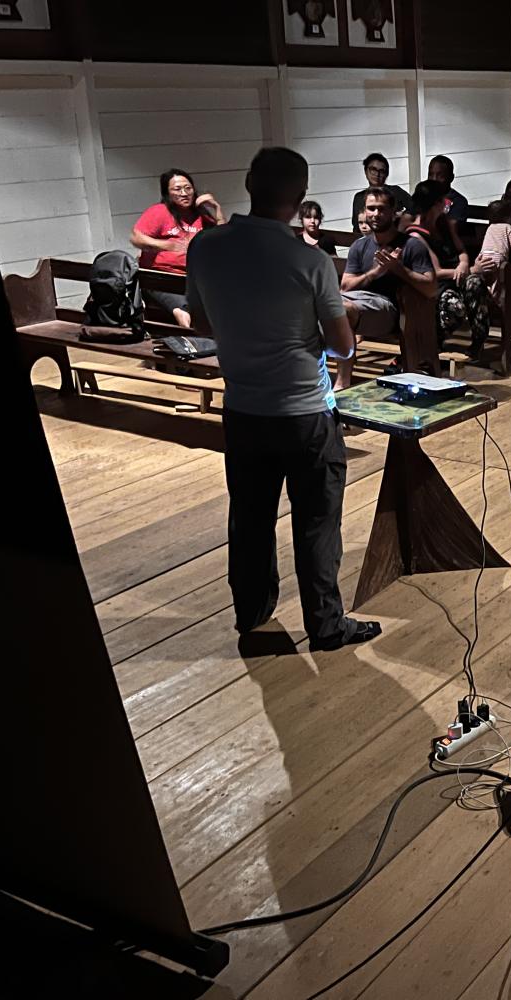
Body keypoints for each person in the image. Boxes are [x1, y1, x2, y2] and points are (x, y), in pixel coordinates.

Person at [185, 146, 381, 653]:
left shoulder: (206, 248)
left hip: (244, 409)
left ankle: (252, 615)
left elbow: (203, 322)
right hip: (305, 414)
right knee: (317, 521)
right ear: (299, 199)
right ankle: (326, 626)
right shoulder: (310, 260)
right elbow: (342, 346)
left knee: (249, 517)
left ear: (248, 183)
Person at [336, 186, 435, 386]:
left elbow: (431, 288)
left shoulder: (411, 245)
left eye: (381, 209)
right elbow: (346, 286)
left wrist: (398, 268)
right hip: (356, 301)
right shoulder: (360, 245)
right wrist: (374, 273)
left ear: (392, 212)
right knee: (320, 305)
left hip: (392, 311)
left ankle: (342, 382)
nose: (375, 214)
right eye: (371, 209)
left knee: (340, 309)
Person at [402, 181, 496, 361]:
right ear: (435, 204)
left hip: (457, 276)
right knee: (455, 306)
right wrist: (468, 270)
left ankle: (478, 342)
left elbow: (460, 250)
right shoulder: (416, 234)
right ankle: (434, 342)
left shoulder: (444, 223)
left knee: (475, 284)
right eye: (443, 202)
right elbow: (435, 271)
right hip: (437, 284)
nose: (446, 205)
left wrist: (463, 264)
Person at [129, 168, 225, 327]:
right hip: (163, 278)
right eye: (177, 189)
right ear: (167, 193)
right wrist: (165, 245)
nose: (184, 193)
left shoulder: (201, 215)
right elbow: (136, 238)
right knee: (182, 309)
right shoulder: (159, 212)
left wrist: (217, 211)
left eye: (188, 188)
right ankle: (191, 343)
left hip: (196, 278)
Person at [426, 154, 474, 266]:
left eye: (439, 175)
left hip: (446, 253)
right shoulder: (424, 196)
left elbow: (452, 226)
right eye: (431, 174)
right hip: (423, 247)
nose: (434, 179)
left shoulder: (458, 201)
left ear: (451, 178)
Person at [350, 152, 411, 223]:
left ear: (386, 174)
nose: (377, 174)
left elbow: (415, 208)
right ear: (366, 172)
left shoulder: (396, 191)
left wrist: (401, 216)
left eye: (381, 171)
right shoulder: (359, 197)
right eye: (373, 169)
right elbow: (356, 226)